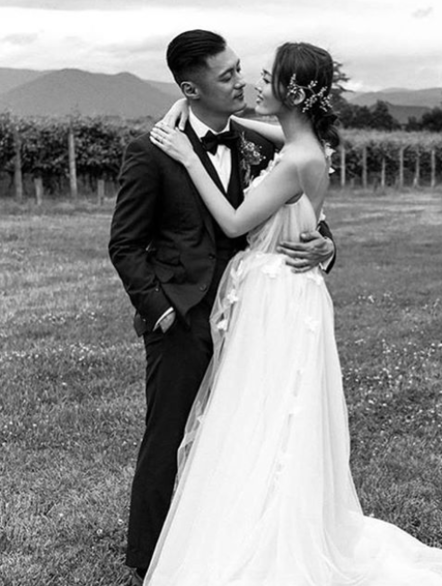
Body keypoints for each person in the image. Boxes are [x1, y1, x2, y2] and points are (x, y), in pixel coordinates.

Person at [145, 41, 442, 586]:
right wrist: (184, 111)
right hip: (290, 291)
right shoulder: (305, 144)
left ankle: (263, 529)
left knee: (264, 413)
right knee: (271, 412)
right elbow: (264, 131)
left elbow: (234, 223)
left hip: (277, 294)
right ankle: (258, 514)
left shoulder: (298, 158)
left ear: (290, 92)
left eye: (266, 78)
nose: (254, 85)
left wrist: (190, 158)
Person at [108, 29, 335, 585]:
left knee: (241, 433)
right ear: (191, 88)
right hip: (184, 318)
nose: (240, 81)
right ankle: (149, 558)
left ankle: (224, 542)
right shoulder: (152, 152)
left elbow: (305, 213)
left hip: (253, 316)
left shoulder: (263, 143)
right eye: (227, 74)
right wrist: (160, 310)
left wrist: (326, 248)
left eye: (240, 69)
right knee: (168, 435)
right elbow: (124, 244)